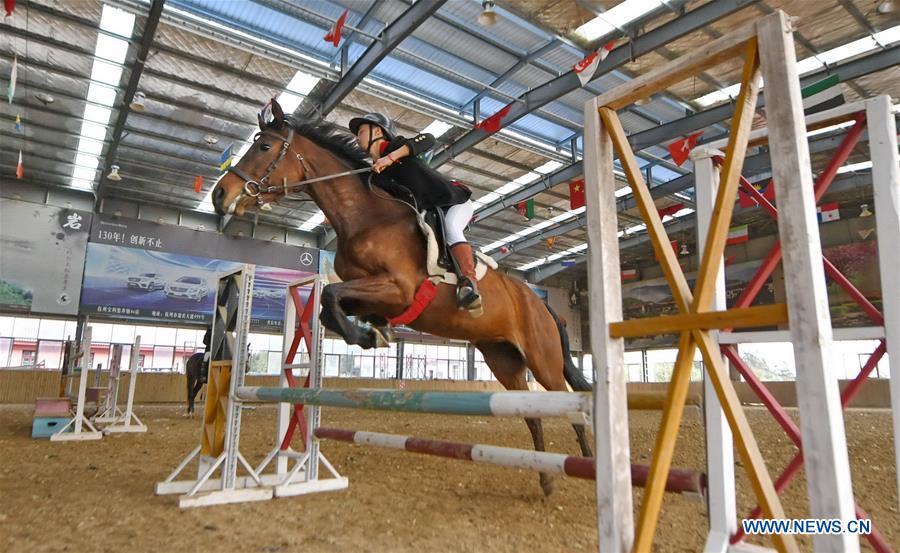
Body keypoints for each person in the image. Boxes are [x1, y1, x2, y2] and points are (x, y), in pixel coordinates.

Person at [349, 113, 481, 313]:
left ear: (377, 131)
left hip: (453, 201)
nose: (357, 137)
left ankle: (469, 283)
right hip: (427, 211)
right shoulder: (375, 174)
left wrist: (391, 157)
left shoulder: (396, 148)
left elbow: (428, 139)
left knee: (451, 226)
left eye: (360, 131)